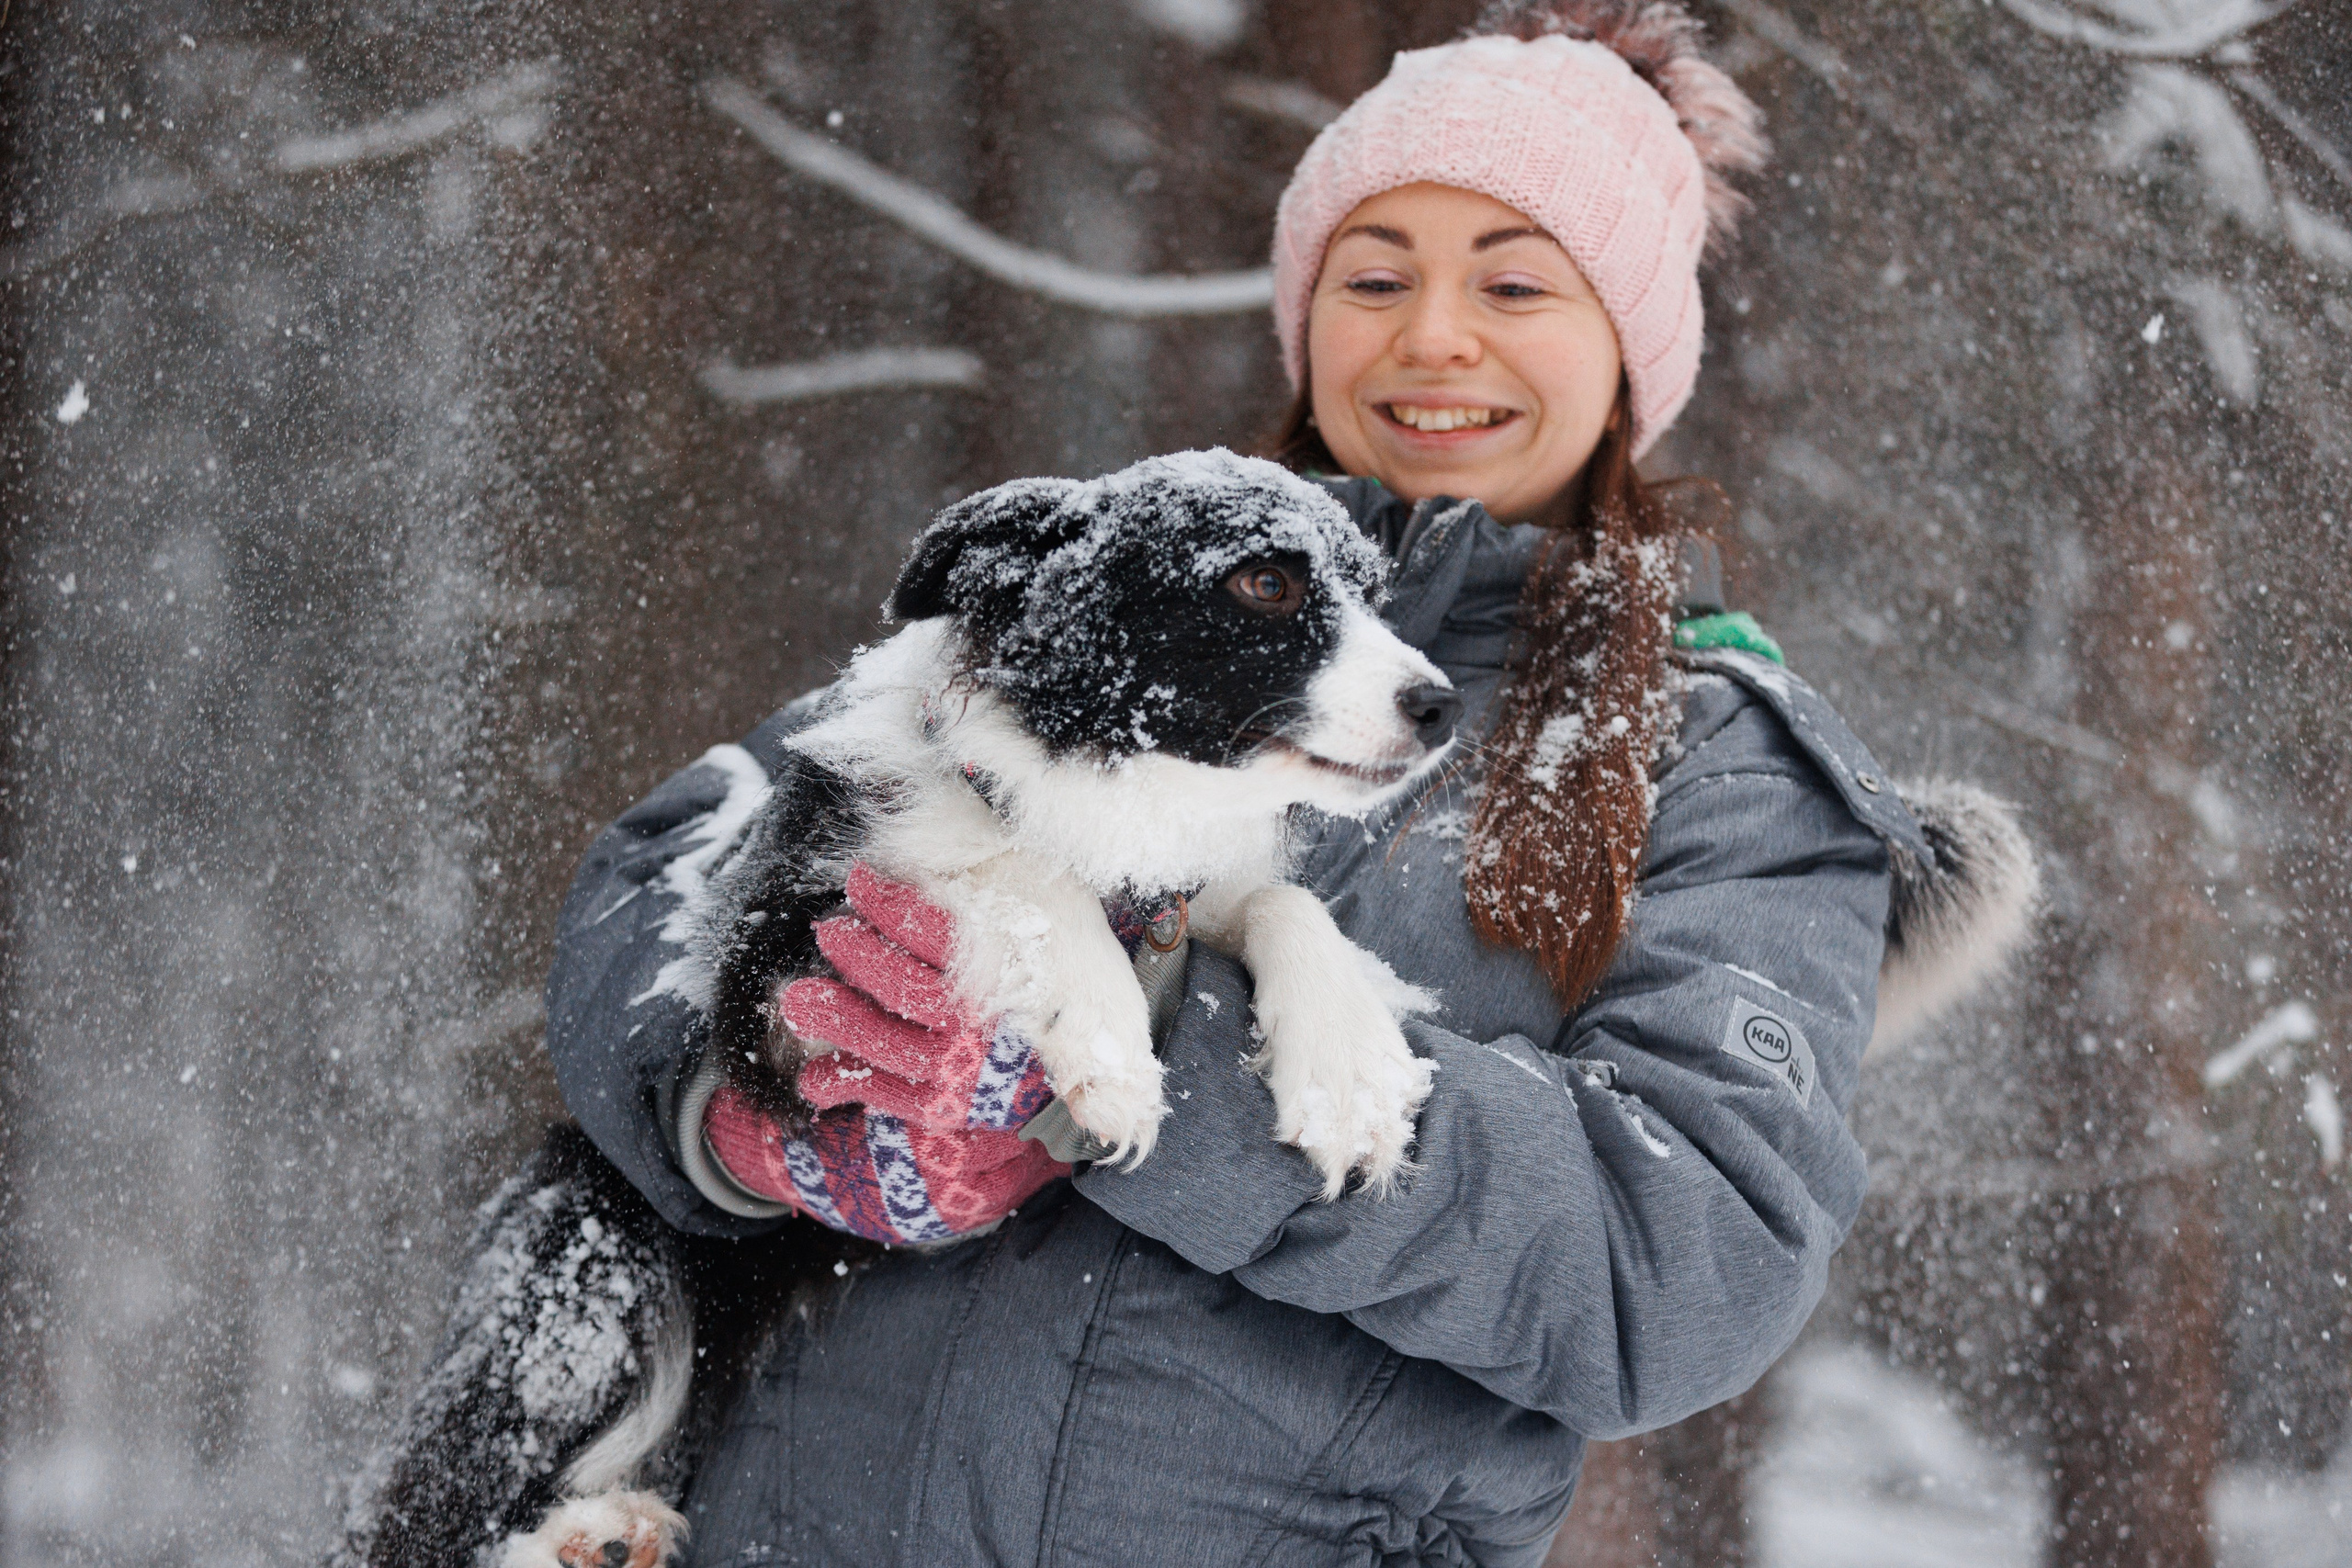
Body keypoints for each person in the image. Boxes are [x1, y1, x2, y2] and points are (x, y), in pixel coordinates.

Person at [546, 4, 1949, 1562]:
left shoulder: (1726, 764)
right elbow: (664, 872)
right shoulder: (1113, 595)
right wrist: (732, 1118)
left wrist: (1163, 1052)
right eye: (1376, 277)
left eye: (1515, 282)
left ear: (1628, 344)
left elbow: (1677, 1264)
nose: (1432, 337)